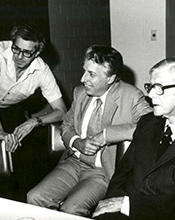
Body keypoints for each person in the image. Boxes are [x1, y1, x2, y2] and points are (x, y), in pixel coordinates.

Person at [27, 45, 152, 216]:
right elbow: (66, 126)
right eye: (84, 71)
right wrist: (77, 142)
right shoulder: (80, 93)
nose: (82, 78)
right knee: (34, 198)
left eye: (91, 74)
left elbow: (152, 126)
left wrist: (105, 136)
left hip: (101, 171)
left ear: (111, 78)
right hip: (73, 163)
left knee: (71, 209)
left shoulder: (131, 96)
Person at [93, 57, 175, 220]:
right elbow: (122, 173)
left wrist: (127, 205)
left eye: (159, 88)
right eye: (150, 86)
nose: (150, 94)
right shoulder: (148, 122)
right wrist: (108, 205)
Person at [0, 21, 66, 152]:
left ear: (37, 53)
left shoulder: (43, 71)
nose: (19, 56)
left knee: (19, 148)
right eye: (16, 49)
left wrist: (34, 121)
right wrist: (0, 132)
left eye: (26, 52)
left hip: (8, 109)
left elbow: (62, 111)